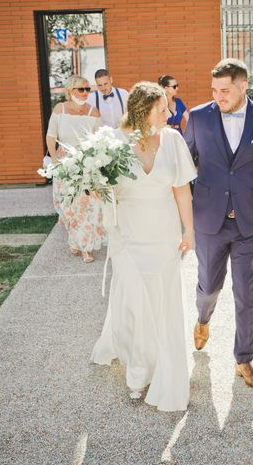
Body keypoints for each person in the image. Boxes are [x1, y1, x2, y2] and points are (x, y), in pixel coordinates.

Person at [185, 58, 253, 389]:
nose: (219, 96)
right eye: (214, 90)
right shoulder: (198, 117)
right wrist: (186, 210)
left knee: (246, 290)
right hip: (209, 220)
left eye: (226, 90)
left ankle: (244, 359)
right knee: (210, 286)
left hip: (250, 221)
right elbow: (182, 165)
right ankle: (203, 318)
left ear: (243, 86)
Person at [91, 82, 196, 412]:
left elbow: (181, 189)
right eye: (162, 109)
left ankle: (163, 363)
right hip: (129, 236)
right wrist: (95, 188)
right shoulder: (115, 143)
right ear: (142, 112)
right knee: (136, 304)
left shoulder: (174, 140)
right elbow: (102, 188)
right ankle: (137, 372)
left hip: (164, 234)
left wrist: (189, 229)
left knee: (161, 302)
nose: (170, 113)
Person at [46, 75, 103, 263]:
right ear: (70, 90)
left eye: (88, 89)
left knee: (86, 206)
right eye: (81, 89)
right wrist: (55, 161)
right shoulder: (59, 109)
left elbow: (99, 141)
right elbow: (51, 136)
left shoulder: (93, 112)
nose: (85, 93)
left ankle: (86, 247)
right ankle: (74, 238)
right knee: (67, 206)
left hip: (87, 164)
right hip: (64, 163)